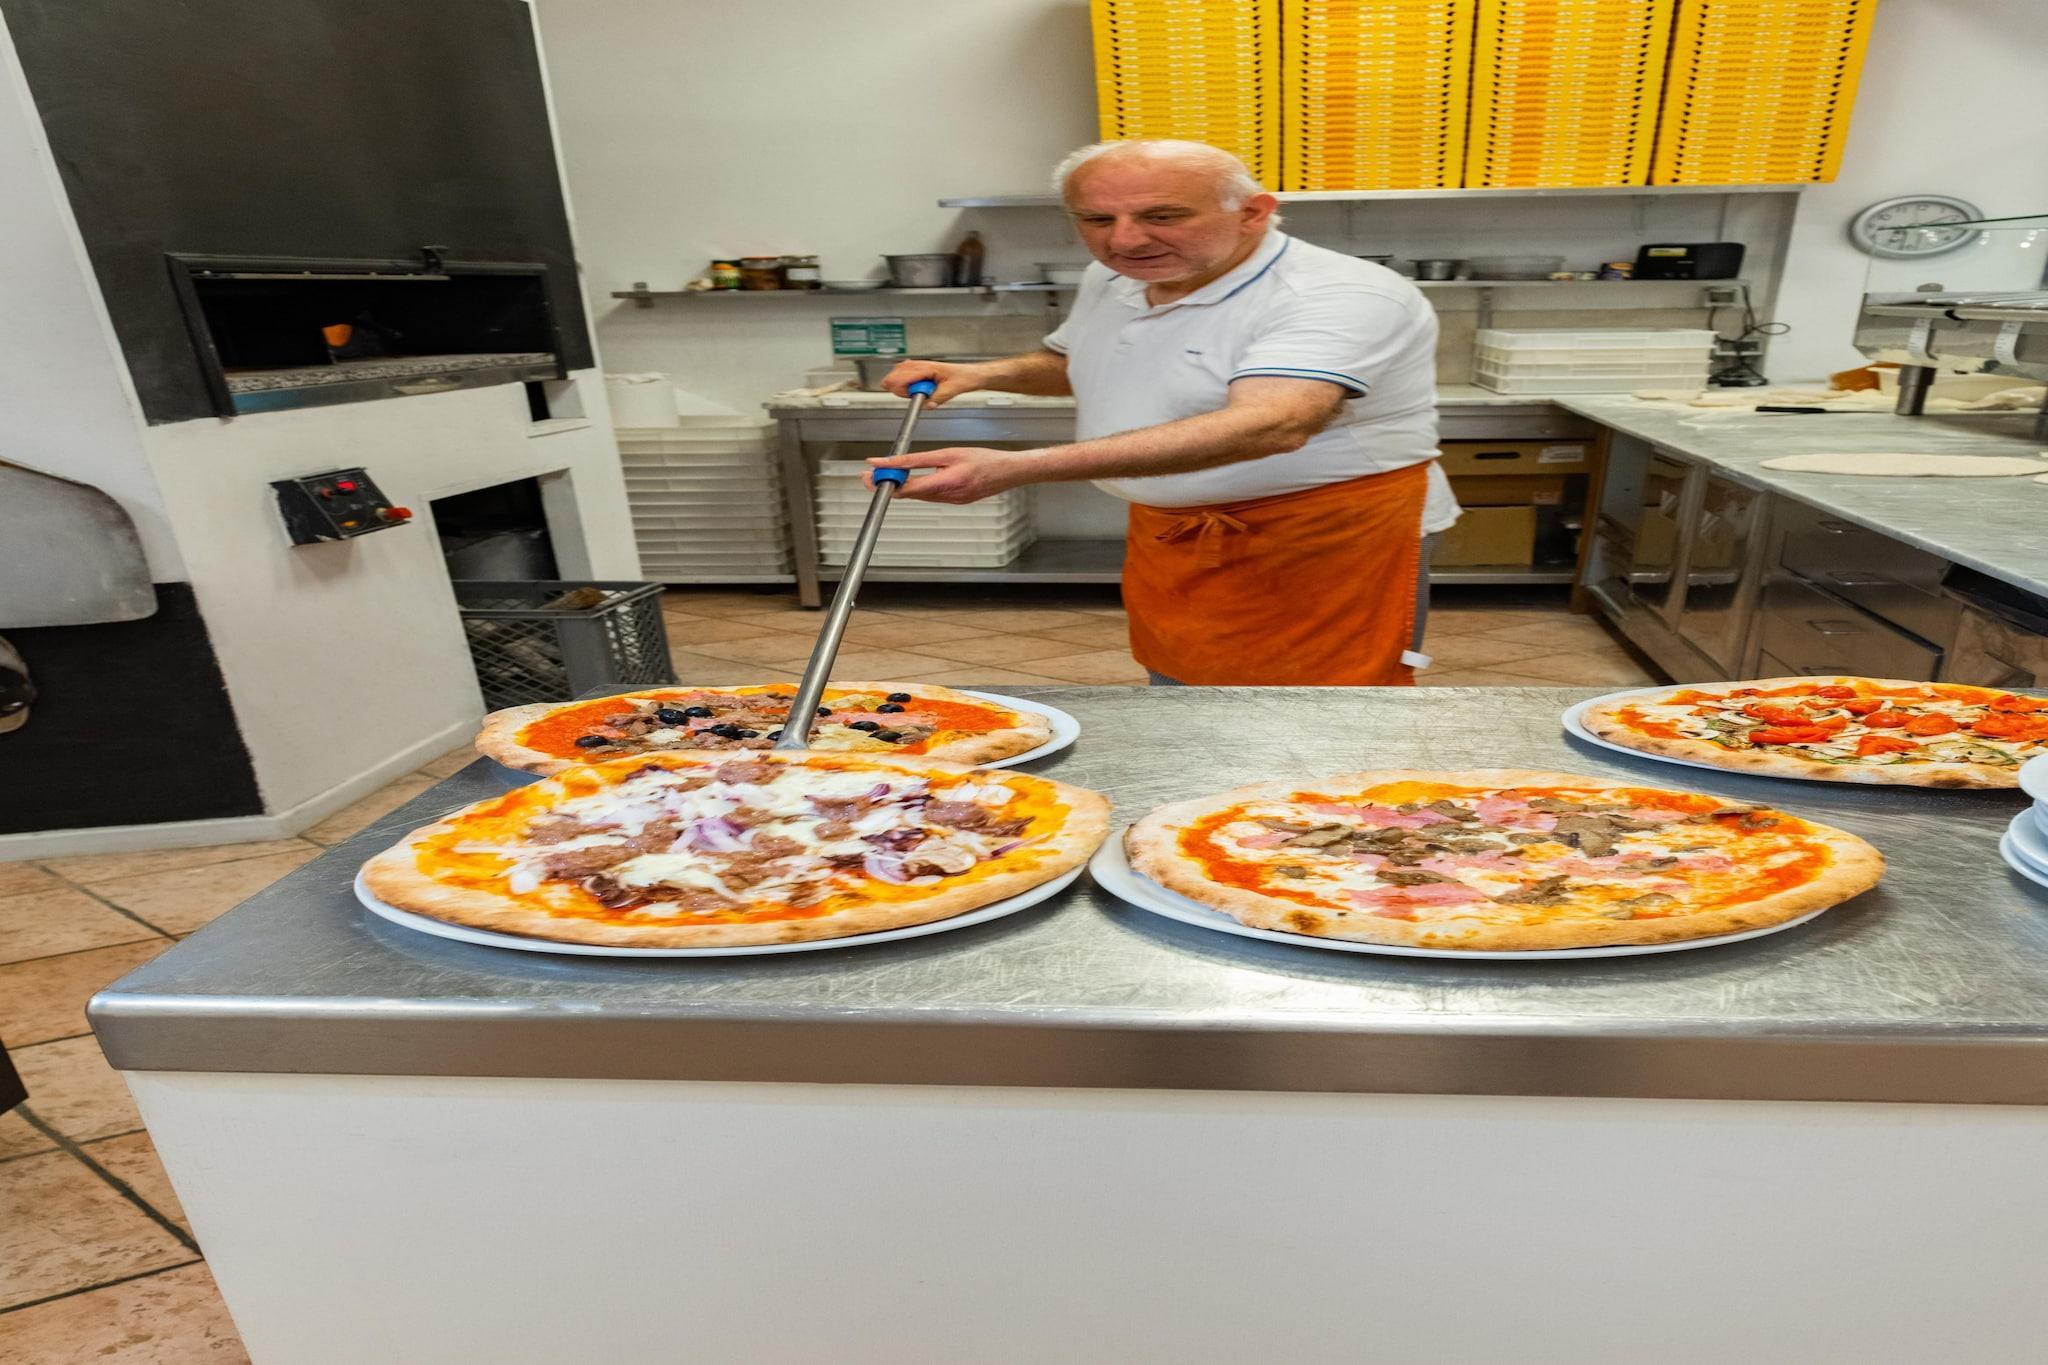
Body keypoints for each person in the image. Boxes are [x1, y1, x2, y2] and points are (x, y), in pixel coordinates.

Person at [876, 139, 1457, 686]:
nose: (1125, 241)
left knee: (1318, 708)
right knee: (1181, 686)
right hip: (1171, 535)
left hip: (1322, 538)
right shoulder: (1115, 276)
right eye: (1097, 219)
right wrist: (982, 374)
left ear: (1253, 212)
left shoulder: (1338, 294)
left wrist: (1018, 468)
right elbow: (1078, 360)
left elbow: (1274, 424)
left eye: (1163, 216)